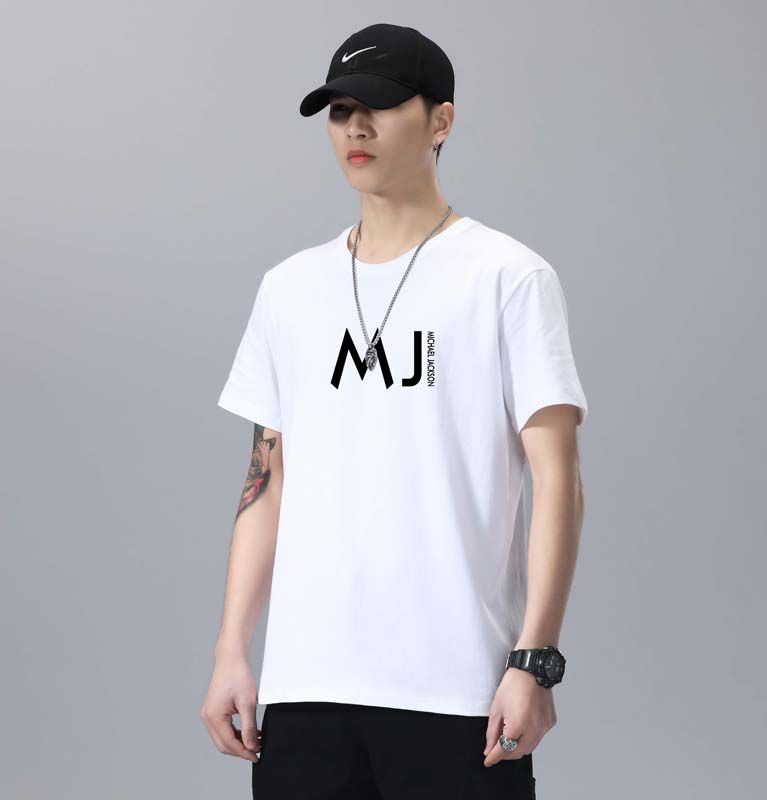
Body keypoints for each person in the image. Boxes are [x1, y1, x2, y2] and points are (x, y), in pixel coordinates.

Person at [201, 22, 589, 800]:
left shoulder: (508, 277)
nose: (356, 127)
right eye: (340, 110)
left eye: (378, 106)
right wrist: (231, 651)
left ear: (441, 121)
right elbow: (266, 482)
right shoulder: (289, 289)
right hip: (307, 692)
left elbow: (559, 481)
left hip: (458, 695)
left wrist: (535, 661)